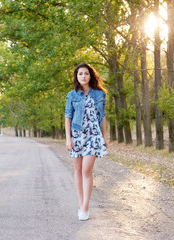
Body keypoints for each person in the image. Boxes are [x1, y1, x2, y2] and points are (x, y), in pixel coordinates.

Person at [65, 62, 108, 221]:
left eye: (86, 73)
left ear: (91, 76)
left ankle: (85, 207)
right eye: (80, 74)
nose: (83, 76)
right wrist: (68, 138)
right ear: (77, 77)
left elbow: (102, 116)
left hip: (93, 136)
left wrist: (104, 136)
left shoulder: (99, 94)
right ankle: (80, 203)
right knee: (77, 170)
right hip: (76, 135)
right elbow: (68, 117)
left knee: (86, 170)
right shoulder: (72, 95)